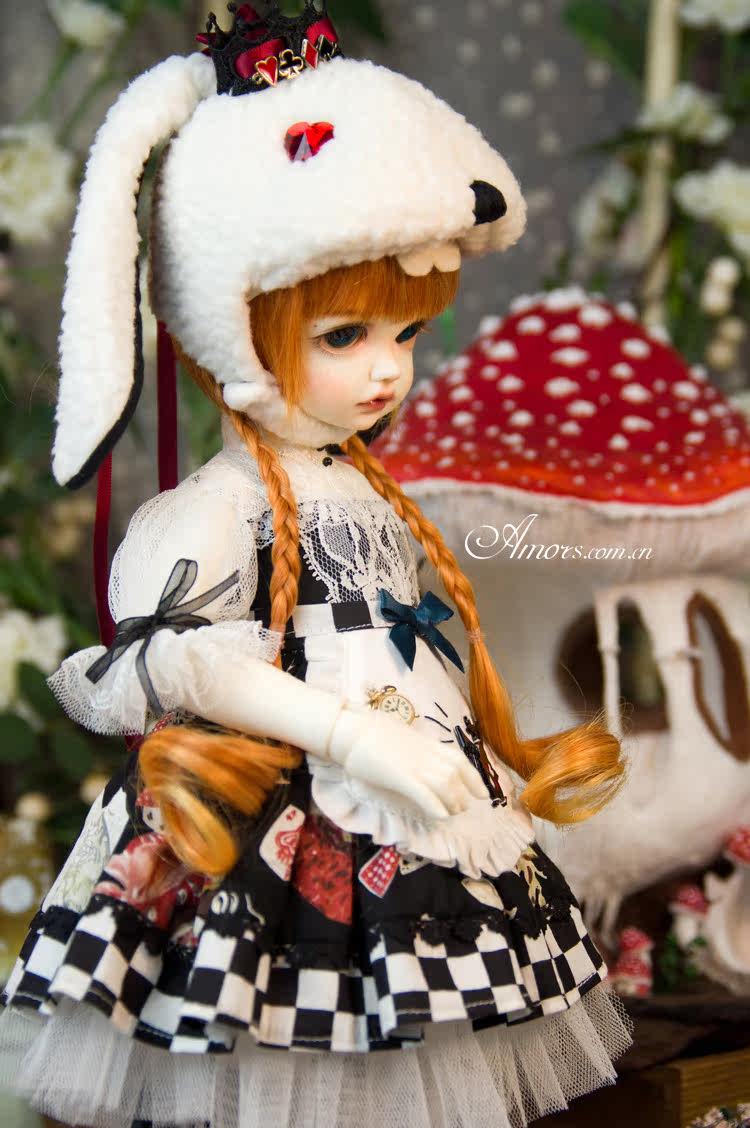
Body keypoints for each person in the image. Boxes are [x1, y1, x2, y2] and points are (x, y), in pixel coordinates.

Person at [0, 4, 632, 1126]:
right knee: (282, 1057)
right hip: (279, 827)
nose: (388, 371)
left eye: (405, 334)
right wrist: (352, 737)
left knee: (414, 1045)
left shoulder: (366, 486)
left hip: (415, 813)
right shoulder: (217, 507)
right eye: (345, 336)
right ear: (227, 330)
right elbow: (188, 663)